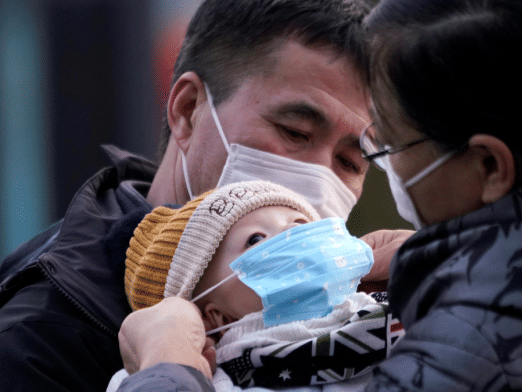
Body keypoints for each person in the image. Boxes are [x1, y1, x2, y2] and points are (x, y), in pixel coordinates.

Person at [118, 0, 522, 390]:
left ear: (489, 165)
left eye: (379, 146)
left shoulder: (464, 354)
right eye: (294, 133)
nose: (311, 192)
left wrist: (168, 366)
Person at [0, 1, 412, 391]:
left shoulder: (366, 305)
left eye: (350, 162)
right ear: (188, 109)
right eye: (294, 133)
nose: (317, 181)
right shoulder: (43, 337)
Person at [106, 181, 402, 391]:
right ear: (215, 317)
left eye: (300, 224)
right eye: (256, 239)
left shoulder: (397, 299)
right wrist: (168, 356)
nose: (290, 231)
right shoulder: (213, 376)